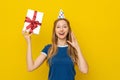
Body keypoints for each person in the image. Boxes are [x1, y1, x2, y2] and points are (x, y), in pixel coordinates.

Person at [22, 18, 88, 80]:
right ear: (55, 30)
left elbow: (85, 70)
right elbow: (30, 67)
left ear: (68, 30)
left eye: (64, 27)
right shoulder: (48, 49)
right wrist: (28, 42)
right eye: (58, 27)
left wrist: (77, 47)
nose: (61, 29)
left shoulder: (73, 49)